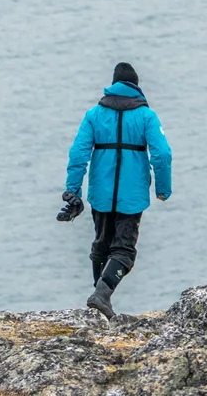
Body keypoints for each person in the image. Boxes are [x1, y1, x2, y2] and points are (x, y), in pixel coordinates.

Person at [59, 61, 173, 319]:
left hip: (101, 194)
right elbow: (162, 154)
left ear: (113, 85)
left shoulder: (94, 115)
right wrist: (163, 187)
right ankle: (102, 295)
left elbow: (78, 153)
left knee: (101, 245)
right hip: (132, 196)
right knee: (124, 250)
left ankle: (99, 300)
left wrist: (72, 189)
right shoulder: (146, 116)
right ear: (136, 87)